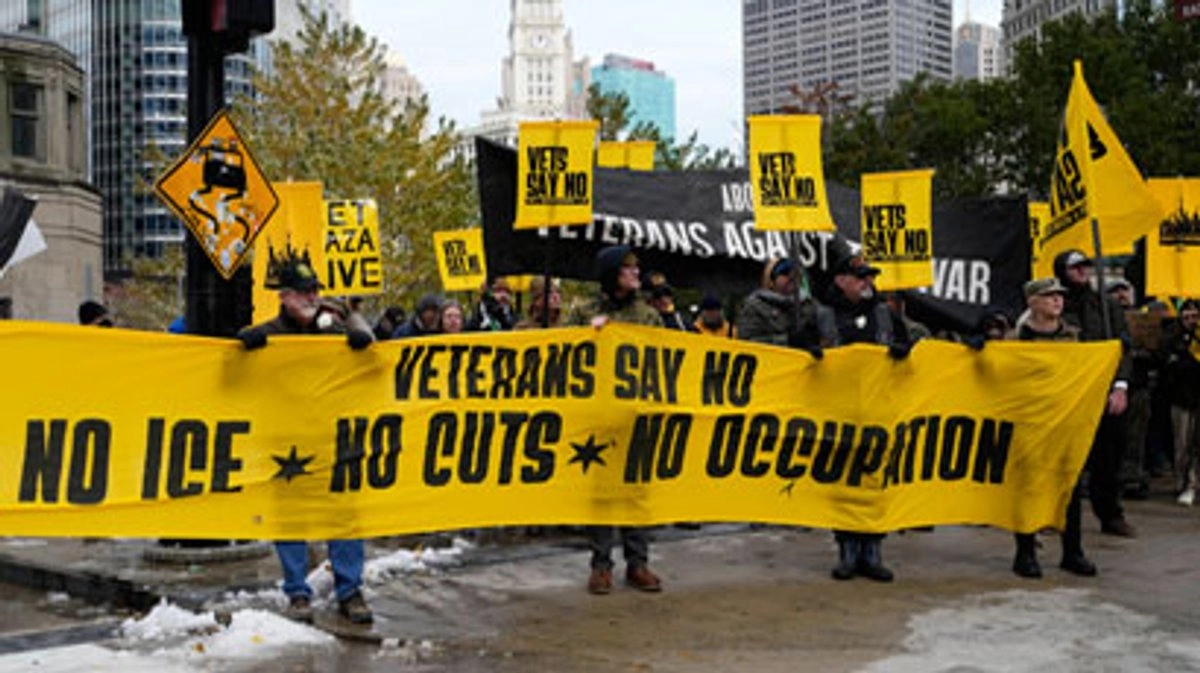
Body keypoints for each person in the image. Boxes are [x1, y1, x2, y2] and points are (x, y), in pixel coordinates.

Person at [236, 255, 374, 625]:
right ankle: (297, 592)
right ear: (284, 296)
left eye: (314, 290)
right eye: (302, 292)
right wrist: (246, 344)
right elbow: (236, 371)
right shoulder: (269, 334)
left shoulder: (335, 331)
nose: (311, 297)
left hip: (331, 438)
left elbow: (372, 349)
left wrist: (354, 325)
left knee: (343, 515)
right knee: (290, 519)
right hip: (286, 441)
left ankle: (350, 590)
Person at [565, 244, 665, 595]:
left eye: (636, 268)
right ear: (611, 274)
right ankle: (601, 565)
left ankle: (638, 563)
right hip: (599, 418)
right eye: (628, 268)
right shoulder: (583, 311)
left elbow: (665, 356)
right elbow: (562, 352)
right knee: (602, 495)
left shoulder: (648, 315)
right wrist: (586, 335)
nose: (636, 273)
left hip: (636, 416)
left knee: (636, 491)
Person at [815, 254, 911, 582]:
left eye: (870, 277)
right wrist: (809, 351)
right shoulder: (823, 314)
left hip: (878, 413)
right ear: (841, 280)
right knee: (844, 481)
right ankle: (847, 549)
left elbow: (911, 341)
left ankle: (872, 549)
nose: (867, 282)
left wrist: (903, 350)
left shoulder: (885, 313)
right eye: (860, 277)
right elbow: (795, 347)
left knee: (874, 481)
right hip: (838, 412)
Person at [1009, 278, 1097, 578]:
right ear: (1032, 301)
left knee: (1069, 488)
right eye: (1049, 296)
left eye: (1059, 295)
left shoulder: (1074, 337)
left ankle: (1072, 551)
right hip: (1030, 424)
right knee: (1028, 488)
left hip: (1065, 424)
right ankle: (1025, 552)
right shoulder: (1016, 339)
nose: (1057, 300)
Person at [1054, 250, 1136, 537]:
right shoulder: (1055, 305)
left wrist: (1120, 386)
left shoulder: (1106, 305)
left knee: (1109, 457)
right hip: (1068, 395)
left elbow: (1123, 347)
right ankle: (1055, 514)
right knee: (1063, 459)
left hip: (1104, 392)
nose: (1082, 271)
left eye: (1085, 266)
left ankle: (1110, 514)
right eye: (1075, 267)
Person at [737, 258, 820, 351]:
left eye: (796, 273)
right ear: (771, 281)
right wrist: (787, 341)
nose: (792, 277)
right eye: (785, 273)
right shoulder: (754, 306)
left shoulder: (809, 306)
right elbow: (747, 344)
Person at [1164, 300, 1200, 506]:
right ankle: (1184, 482)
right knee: (1182, 443)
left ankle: (1193, 482)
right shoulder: (1172, 336)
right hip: (1181, 397)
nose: (1191, 319)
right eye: (1187, 315)